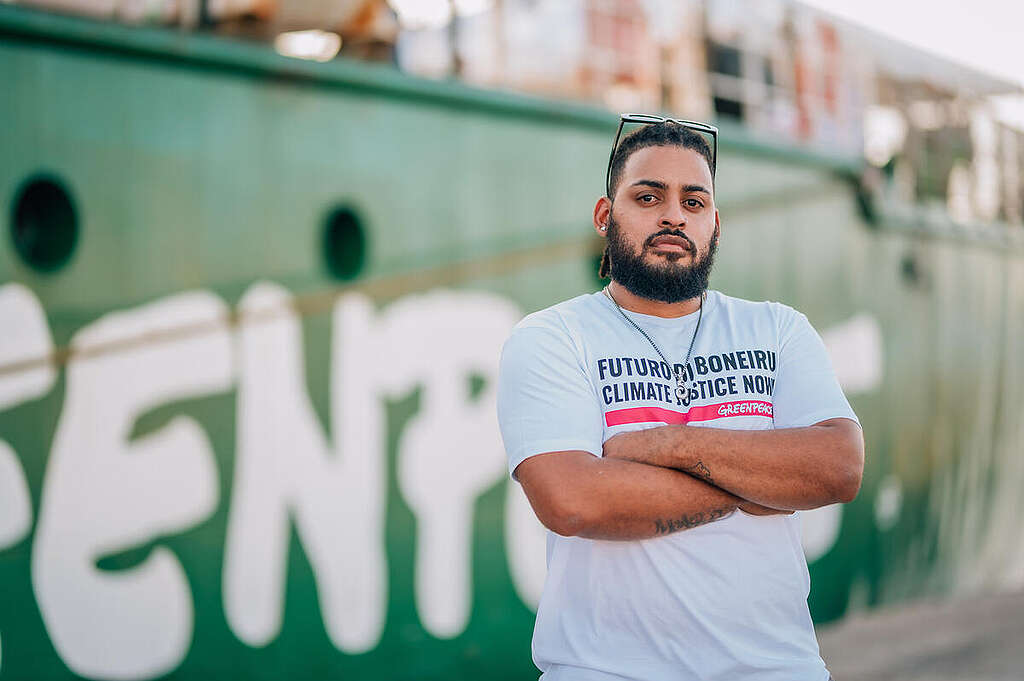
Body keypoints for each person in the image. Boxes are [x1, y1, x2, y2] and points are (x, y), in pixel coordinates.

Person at [496, 117, 864, 681]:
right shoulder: (553, 337)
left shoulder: (778, 330)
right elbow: (573, 500)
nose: (673, 215)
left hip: (774, 670)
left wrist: (664, 445)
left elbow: (838, 468)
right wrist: (759, 480)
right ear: (604, 215)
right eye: (648, 196)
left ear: (715, 223)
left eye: (694, 201)